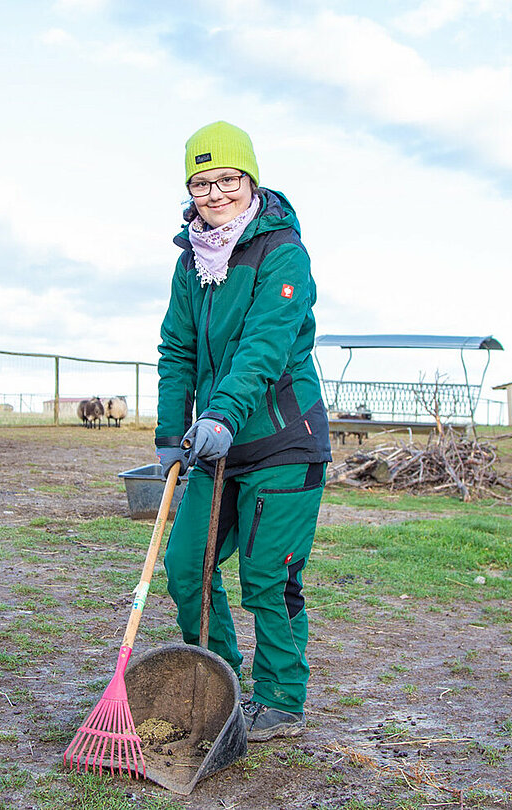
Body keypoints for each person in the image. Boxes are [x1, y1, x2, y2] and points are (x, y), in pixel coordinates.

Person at [155, 121, 334, 742]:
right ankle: (220, 682)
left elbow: (263, 345)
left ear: (250, 179)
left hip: (283, 442)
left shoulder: (282, 251)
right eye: (201, 183)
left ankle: (281, 700)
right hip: (213, 443)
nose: (215, 193)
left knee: (267, 576)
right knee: (186, 568)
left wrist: (224, 414)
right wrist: (170, 430)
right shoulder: (191, 262)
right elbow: (177, 347)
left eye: (227, 179)